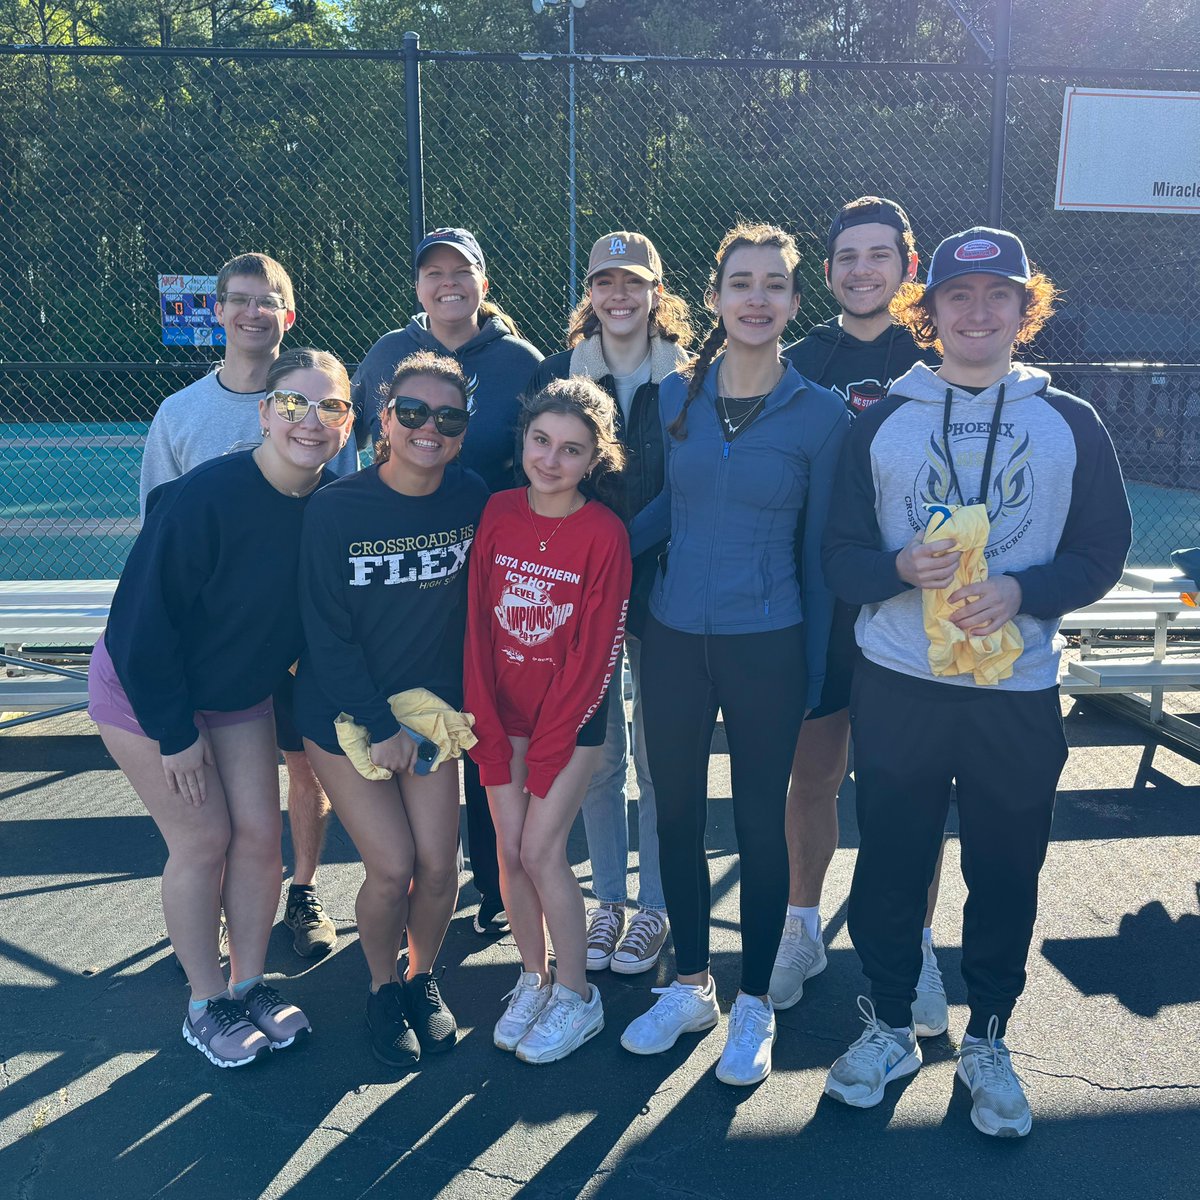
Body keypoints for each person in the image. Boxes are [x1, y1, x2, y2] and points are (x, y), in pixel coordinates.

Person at [821, 227, 1130, 1135]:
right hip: (901, 683)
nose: (979, 312)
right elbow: (837, 556)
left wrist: (1025, 590)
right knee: (889, 863)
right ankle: (887, 1025)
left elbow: (1102, 551)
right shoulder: (881, 420)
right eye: (960, 296)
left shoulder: (1070, 420)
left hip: (1017, 690)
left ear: (1024, 312)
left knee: (1006, 868)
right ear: (931, 309)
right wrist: (895, 570)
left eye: (1000, 296)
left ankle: (989, 1037)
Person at [620, 223, 848, 1086]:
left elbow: (820, 553)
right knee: (673, 814)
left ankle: (753, 1002)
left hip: (771, 645)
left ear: (795, 301)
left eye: (775, 285)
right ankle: (689, 986)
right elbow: (665, 516)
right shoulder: (677, 396)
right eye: (741, 283)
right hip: (674, 640)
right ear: (713, 298)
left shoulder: (821, 417)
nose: (757, 298)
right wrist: (590, 547)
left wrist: (819, 673)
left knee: (759, 826)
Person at [90, 347, 355, 1067]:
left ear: (348, 422)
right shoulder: (207, 495)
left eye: (328, 406)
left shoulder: (333, 511)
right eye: (293, 405)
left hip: (236, 692)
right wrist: (175, 736)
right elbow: (141, 627)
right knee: (204, 840)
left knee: (260, 843)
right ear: (266, 414)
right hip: (148, 692)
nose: (310, 420)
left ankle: (247, 982)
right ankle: (205, 1003)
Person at [140, 253, 354, 960]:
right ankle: (213, 931)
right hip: (214, 648)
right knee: (209, 821)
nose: (253, 312)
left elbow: (337, 526)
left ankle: (301, 890)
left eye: (269, 300)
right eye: (239, 299)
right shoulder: (182, 414)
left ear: (288, 314)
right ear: (219, 311)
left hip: (290, 638)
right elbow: (159, 545)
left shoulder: (321, 402)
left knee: (300, 774)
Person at [772, 197, 950, 1037]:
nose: (863, 269)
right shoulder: (793, 360)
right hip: (821, 603)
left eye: (880, 255)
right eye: (847, 257)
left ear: (907, 267)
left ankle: (912, 951)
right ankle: (800, 928)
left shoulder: (947, 358)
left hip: (921, 607)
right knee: (811, 779)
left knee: (910, 791)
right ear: (829, 271)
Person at [294, 352, 489, 1069]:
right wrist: (378, 726)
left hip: (431, 712)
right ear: (383, 421)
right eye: (412, 412)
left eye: (447, 417)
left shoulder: (472, 497)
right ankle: (380, 987)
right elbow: (326, 630)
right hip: (345, 712)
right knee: (392, 865)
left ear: (463, 433)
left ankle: (418, 977)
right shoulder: (337, 508)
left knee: (441, 867)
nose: (427, 428)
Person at [352, 227, 544, 937]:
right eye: (432, 272)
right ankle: (419, 876)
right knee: (424, 723)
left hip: (493, 571)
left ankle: (496, 885)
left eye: (460, 270)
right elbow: (365, 459)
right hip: (411, 574)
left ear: (484, 283)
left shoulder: (521, 362)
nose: (447, 283)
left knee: (487, 726)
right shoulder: (385, 356)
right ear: (419, 287)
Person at [524, 231, 693, 976]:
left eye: (634, 282)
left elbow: (690, 484)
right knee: (594, 756)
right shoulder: (559, 375)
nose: (619, 295)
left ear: (658, 293)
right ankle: (609, 904)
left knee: (659, 757)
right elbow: (545, 475)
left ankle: (652, 907)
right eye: (605, 282)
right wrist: (591, 558)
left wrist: (620, 549)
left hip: (663, 585)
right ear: (588, 294)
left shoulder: (691, 377)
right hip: (578, 592)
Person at [465, 378, 632, 1065]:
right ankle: (533, 977)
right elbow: (475, 626)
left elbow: (595, 658)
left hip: (570, 720)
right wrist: (486, 727)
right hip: (500, 718)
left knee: (541, 852)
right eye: (541, 442)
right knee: (507, 853)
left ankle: (576, 994)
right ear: (524, 440)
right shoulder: (499, 512)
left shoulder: (604, 535)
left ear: (595, 457)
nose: (551, 460)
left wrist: (548, 747)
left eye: (571, 449)